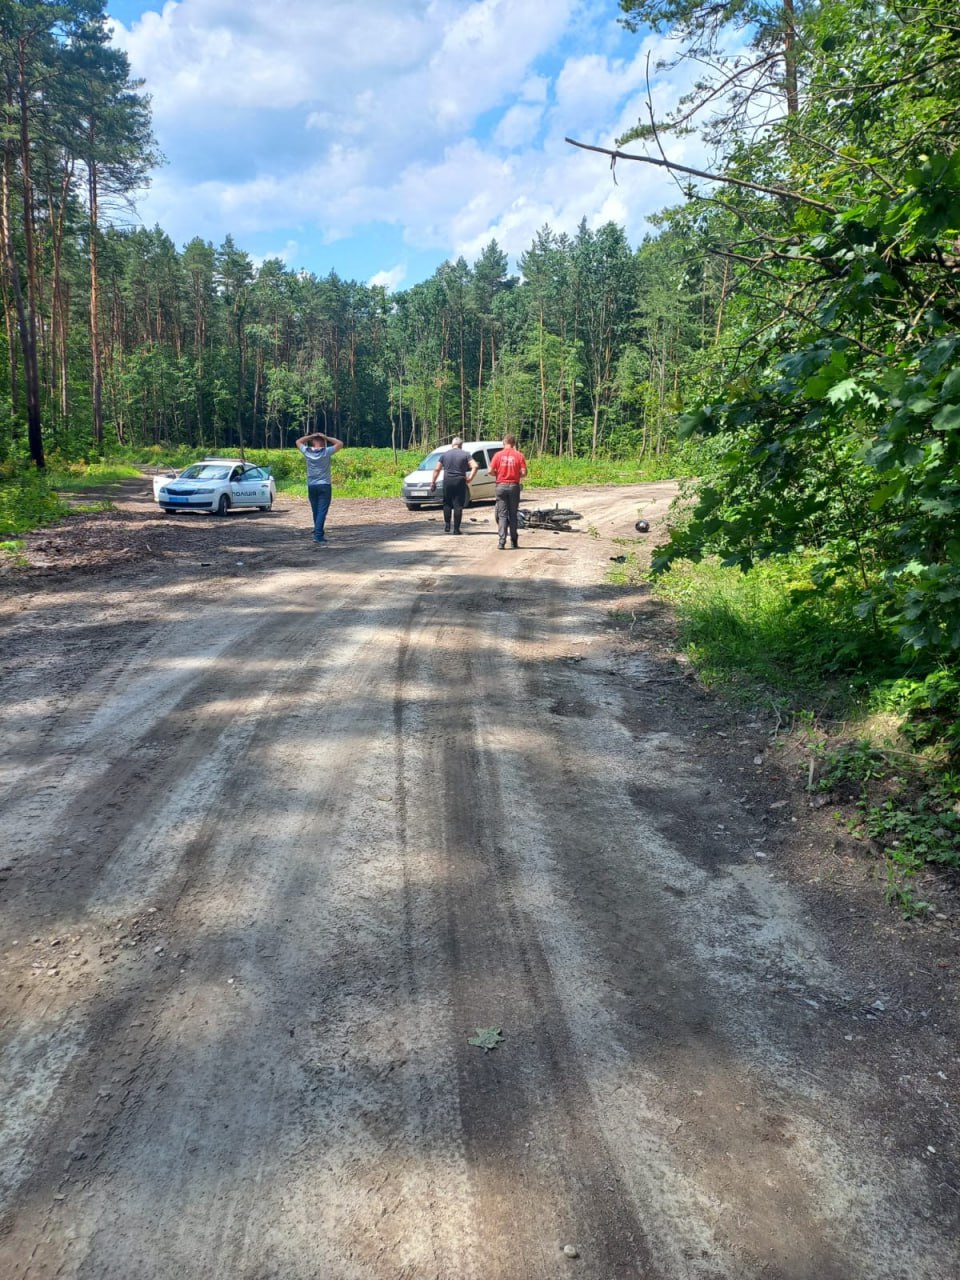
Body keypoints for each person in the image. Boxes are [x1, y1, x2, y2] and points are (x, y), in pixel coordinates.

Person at [295, 429, 343, 544]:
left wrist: (311, 436)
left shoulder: (307, 451)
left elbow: (298, 441)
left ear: (312, 442)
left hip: (312, 485)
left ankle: (317, 530)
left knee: (316, 510)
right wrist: (326, 436)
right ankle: (318, 535)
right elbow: (340, 443)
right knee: (322, 511)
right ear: (323, 442)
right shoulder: (326, 451)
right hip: (324, 485)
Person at [429, 436, 478, 534]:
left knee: (447, 503)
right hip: (459, 481)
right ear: (461, 445)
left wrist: (433, 482)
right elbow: (475, 466)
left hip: (447, 481)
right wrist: (470, 478)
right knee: (458, 505)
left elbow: (437, 469)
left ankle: (447, 525)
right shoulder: (466, 454)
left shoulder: (445, 455)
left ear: (452, 444)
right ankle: (456, 529)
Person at [489, 433, 527, 549]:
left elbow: (490, 471)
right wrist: (517, 474)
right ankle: (514, 541)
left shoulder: (497, 455)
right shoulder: (519, 455)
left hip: (501, 486)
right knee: (513, 514)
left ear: (504, 442)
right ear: (514, 443)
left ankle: (501, 542)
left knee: (502, 515)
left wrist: (498, 474)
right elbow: (524, 473)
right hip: (514, 486)